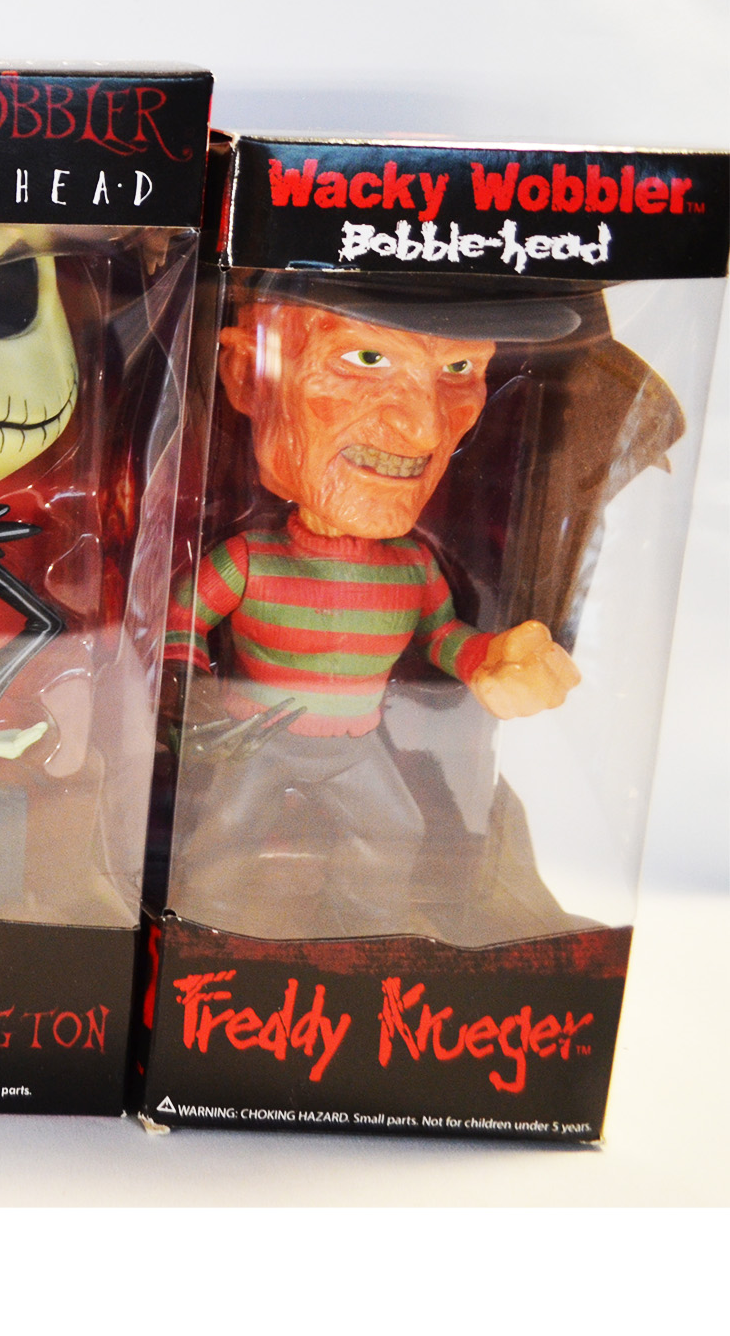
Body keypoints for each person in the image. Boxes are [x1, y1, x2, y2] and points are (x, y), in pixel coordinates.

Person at [164, 275, 580, 939]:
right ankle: (206, 933)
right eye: (365, 357)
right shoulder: (248, 559)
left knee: (395, 832)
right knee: (224, 838)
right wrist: (189, 693)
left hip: (355, 748)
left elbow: (441, 635)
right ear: (248, 376)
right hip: (259, 744)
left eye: (458, 368)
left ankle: (365, 938)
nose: (425, 428)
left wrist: (493, 658)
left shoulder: (411, 567)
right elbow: (181, 621)